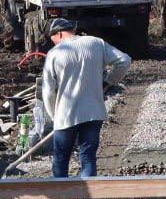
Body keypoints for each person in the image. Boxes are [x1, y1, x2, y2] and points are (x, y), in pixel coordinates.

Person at [40, 18, 131, 190]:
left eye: (52, 39)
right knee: (88, 156)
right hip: (94, 111)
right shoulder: (95, 43)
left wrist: (54, 116)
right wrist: (109, 82)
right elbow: (124, 60)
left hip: (66, 114)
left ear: (58, 34)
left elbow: (47, 91)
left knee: (61, 157)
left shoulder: (55, 53)